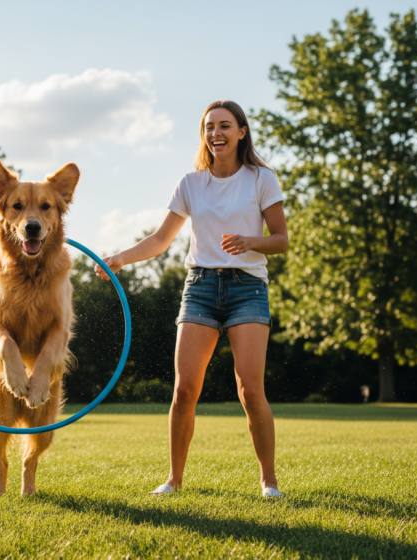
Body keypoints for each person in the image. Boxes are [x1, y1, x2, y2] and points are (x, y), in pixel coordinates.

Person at [95, 100, 288, 498]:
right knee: (185, 389)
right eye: (209, 127)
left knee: (250, 388)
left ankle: (268, 482)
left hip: (246, 287)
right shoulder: (190, 183)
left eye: (224, 126)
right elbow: (161, 240)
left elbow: (281, 240)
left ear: (241, 132)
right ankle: (174, 479)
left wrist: (250, 241)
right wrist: (119, 259)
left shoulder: (261, 179)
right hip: (200, 286)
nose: (215, 133)